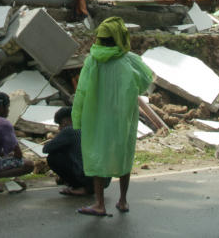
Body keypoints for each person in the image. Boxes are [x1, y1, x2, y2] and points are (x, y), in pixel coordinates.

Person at [72, 16, 153, 217]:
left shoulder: (92, 61)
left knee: (97, 155)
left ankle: (99, 203)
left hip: (96, 117)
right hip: (122, 117)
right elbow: (145, 82)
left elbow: (81, 92)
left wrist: (77, 118)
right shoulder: (130, 60)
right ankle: (123, 200)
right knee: (123, 154)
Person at [43, 106, 93, 196]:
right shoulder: (88, 125)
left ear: (68, 119)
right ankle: (87, 186)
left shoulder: (70, 130)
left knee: (53, 157)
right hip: (101, 177)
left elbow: (46, 149)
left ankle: (82, 187)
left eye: (60, 124)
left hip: (88, 177)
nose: (59, 128)